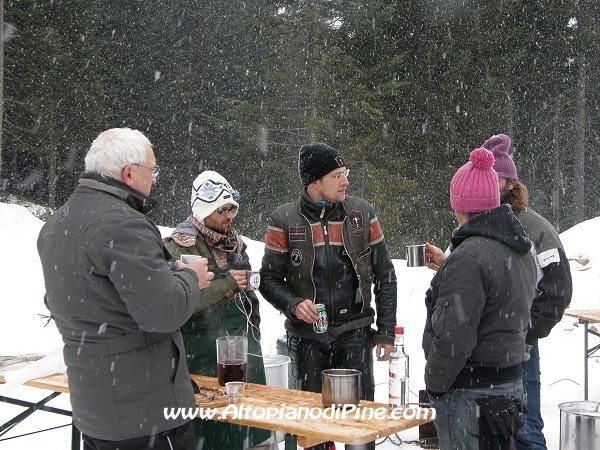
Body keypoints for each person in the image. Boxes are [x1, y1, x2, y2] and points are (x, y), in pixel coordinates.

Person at [37, 128, 214, 450]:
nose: (156, 179)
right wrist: (190, 277)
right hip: (146, 411)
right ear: (129, 173)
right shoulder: (123, 223)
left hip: (95, 405)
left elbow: (91, 295)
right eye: (152, 170)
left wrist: (168, 272)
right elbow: (164, 313)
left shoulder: (58, 222)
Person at [426, 135, 573, 450]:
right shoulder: (491, 237)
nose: (491, 179)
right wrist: (445, 264)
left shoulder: (533, 229)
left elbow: (556, 290)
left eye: (498, 174)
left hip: (495, 361)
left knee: (528, 434)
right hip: (498, 361)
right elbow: (477, 284)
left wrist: (521, 330)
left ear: (511, 182)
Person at [259, 142, 397, 450]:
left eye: (344, 173)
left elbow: (385, 274)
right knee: (311, 431)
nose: (346, 181)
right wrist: (293, 304)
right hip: (307, 340)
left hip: (356, 335)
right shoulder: (283, 220)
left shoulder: (362, 213)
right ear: (314, 183)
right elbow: (268, 280)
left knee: (359, 429)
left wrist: (386, 331)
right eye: (337, 175)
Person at [163, 170, 269, 449]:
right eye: (221, 210)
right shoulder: (180, 245)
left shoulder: (235, 241)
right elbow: (181, 300)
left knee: (256, 426)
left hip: (246, 349)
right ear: (203, 210)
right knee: (214, 435)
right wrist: (227, 285)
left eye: (231, 208)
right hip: (204, 354)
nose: (228, 215)